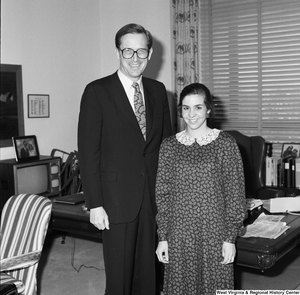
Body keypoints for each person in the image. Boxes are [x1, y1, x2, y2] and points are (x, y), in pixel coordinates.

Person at [78, 23, 172, 295]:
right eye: (127, 51)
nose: (134, 58)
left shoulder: (158, 90)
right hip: (115, 200)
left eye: (141, 51)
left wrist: (168, 197)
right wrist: (95, 203)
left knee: (149, 275)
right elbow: (88, 152)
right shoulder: (97, 91)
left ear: (150, 54)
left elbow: (165, 147)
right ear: (118, 52)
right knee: (119, 279)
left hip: (152, 198)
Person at [155, 83, 246, 294]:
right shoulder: (169, 146)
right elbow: (163, 195)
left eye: (197, 107)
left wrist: (230, 239)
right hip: (179, 235)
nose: (191, 114)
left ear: (208, 109)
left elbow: (235, 193)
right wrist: (163, 238)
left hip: (215, 234)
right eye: (186, 108)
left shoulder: (226, 144)